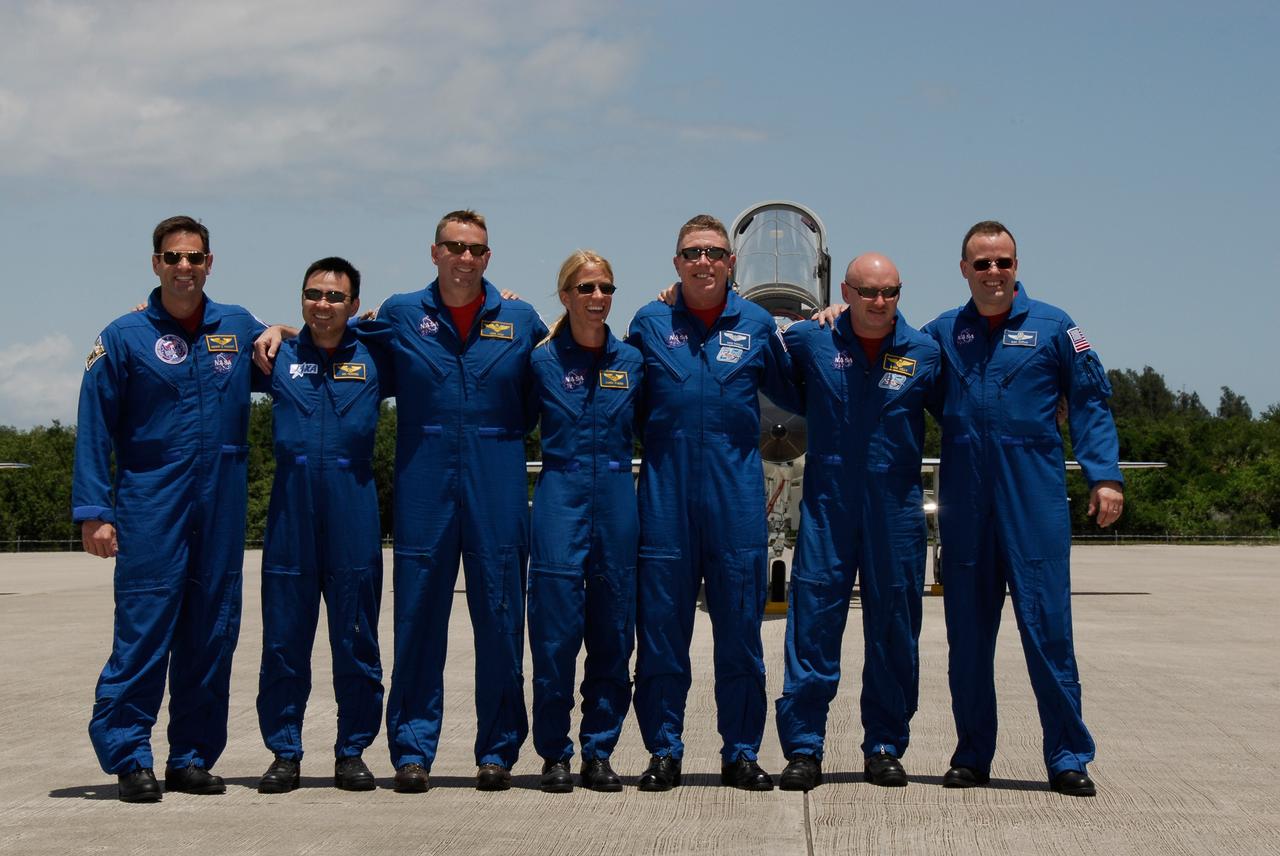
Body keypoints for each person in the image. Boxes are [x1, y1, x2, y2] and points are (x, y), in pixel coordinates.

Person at [923, 220, 1124, 797]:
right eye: (981, 263)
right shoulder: (941, 332)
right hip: (966, 499)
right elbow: (891, 362)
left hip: (1031, 496)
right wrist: (832, 318)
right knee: (967, 636)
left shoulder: (1055, 327)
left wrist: (1104, 476)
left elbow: (1090, 400)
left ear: (1017, 266)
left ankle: (1067, 757)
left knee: (1049, 631)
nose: (993, 272)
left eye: (1002, 262)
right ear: (964, 269)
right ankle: (971, 754)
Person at [73, 215, 266, 802]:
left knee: (212, 629)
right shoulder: (124, 335)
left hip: (222, 498)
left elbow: (304, 352)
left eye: (196, 258)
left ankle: (191, 757)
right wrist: (93, 510)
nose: (185, 267)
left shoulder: (235, 326)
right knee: (144, 628)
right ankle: (130, 754)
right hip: (151, 497)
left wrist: (282, 326)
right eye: (174, 257)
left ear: (211, 263)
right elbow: (94, 426)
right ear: (156, 263)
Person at [364, 210, 547, 792]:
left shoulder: (519, 318)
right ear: (434, 252)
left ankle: (497, 751)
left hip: (497, 473)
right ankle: (412, 750)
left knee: (499, 615)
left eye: (476, 249)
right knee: (418, 618)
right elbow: (335, 341)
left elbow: (566, 364)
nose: (465, 258)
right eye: (454, 247)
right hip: (424, 474)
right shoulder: (399, 314)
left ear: (488, 257)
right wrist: (283, 334)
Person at [626, 214, 792, 791]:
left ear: (731, 264)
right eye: (692, 252)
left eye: (714, 253)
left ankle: (741, 752)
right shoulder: (647, 322)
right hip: (665, 498)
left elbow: (801, 386)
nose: (703, 262)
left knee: (741, 632)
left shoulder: (758, 323)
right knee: (662, 632)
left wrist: (827, 323)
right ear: (676, 263)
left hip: (736, 499)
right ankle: (664, 751)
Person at [773, 253, 940, 791]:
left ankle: (885, 745)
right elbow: (754, 361)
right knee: (813, 624)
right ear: (846, 291)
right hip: (829, 502)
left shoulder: (925, 352)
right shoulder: (809, 340)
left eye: (889, 292)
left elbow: (965, 412)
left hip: (894, 506)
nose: (879, 302)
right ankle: (803, 747)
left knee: (894, 627)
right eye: (867, 291)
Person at [253, 257, 392, 794]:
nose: (323, 304)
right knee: (285, 638)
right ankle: (284, 752)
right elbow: (200, 349)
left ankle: (352, 750)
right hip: (291, 508)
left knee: (356, 635)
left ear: (354, 304)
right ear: (301, 299)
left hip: (353, 504)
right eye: (313, 294)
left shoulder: (379, 354)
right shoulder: (274, 355)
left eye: (336, 297)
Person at [527, 251, 643, 793]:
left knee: (614, 629)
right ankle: (554, 753)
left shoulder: (634, 362)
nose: (598, 298)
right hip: (560, 494)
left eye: (606, 288)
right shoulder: (541, 362)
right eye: (587, 287)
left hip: (618, 495)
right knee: (554, 632)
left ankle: (600, 750)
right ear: (566, 295)